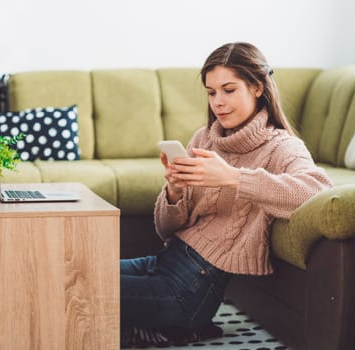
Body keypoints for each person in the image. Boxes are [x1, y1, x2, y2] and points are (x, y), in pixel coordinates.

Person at [120, 42, 333, 348]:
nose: (218, 102)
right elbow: (165, 230)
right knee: (79, 271)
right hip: (165, 262)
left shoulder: (281, 146)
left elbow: (318, 191)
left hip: (191, 288)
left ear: (257, 87)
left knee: (86, 289)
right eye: (211, 92)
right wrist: (174, 191)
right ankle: (155, 329)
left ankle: (170, 327)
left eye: (229, 90)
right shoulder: (205, 138)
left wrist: (233, 178)